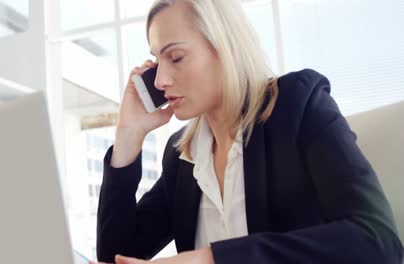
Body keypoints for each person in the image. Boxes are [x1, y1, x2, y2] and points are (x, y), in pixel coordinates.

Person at [95, 0, 404, 263]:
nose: (160, 80)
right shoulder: (182, 157)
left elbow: (378, 242)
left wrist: (212, 258)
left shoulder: (298, 105)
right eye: (157, 61)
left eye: (175, 57)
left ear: (224, 47)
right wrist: (128, 137)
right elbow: (115, 256)